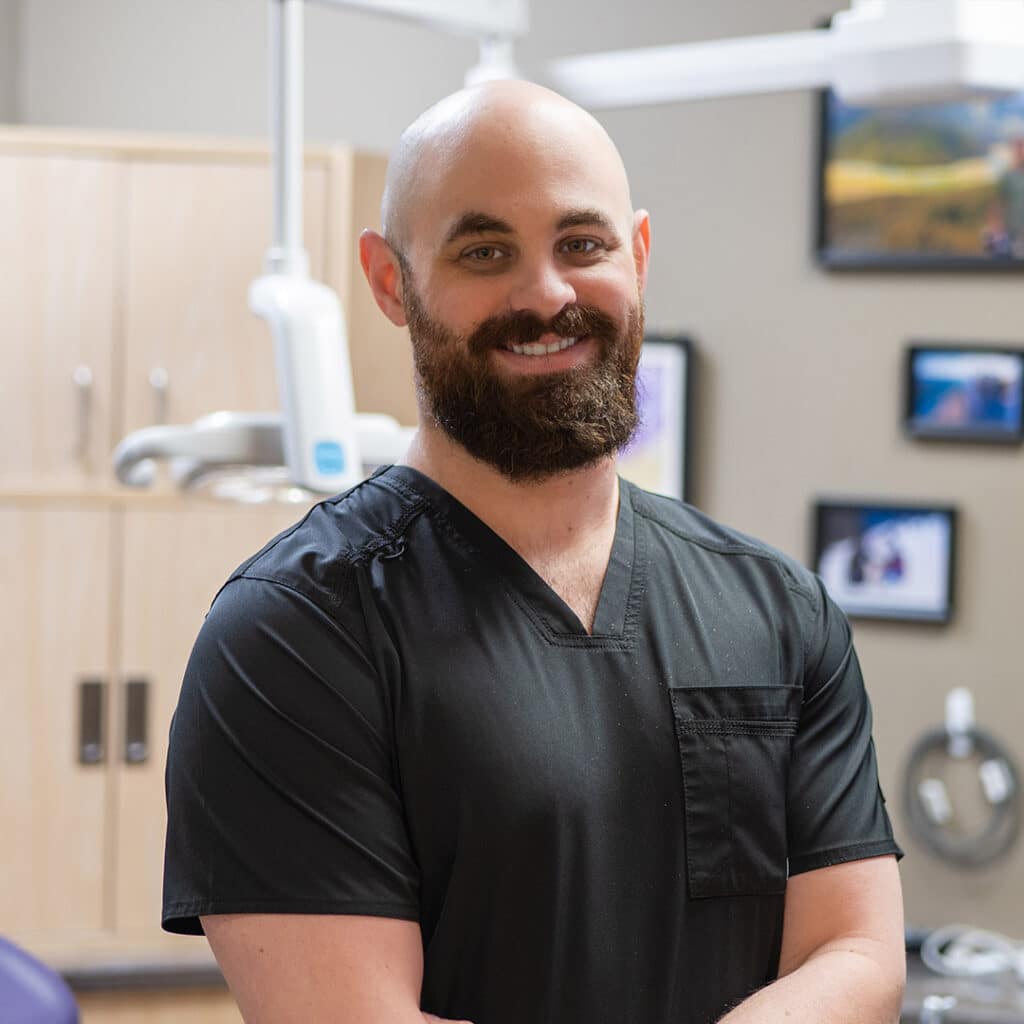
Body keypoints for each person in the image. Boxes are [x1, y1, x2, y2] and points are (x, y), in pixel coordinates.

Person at [162, 80, 906, 1024]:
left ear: (636, 256)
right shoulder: (295, 634)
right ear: (392, 281)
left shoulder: (774, 607)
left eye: (582, 245)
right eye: (484, 250)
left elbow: (859, 954)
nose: (546, 294)